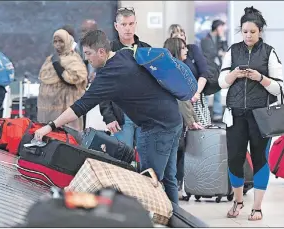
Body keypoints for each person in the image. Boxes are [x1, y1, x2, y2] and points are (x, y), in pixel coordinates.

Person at [34, 30, 182, 204]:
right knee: (169, 177)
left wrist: (50, 126)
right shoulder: (126, 54)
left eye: (89, 54)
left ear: (101, 52)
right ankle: (177, 218)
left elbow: (80, 106)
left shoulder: (109, 75)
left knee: (149, 182)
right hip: (173, 116)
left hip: (157, 128)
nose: (87, 59)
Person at [219, 7, 284, 221]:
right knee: (234, 160)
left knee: (260, 159)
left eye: (252, 32)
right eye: (245, 31)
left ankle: (257, 207)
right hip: (236, 114)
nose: (248, 35)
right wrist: (233, 75)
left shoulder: (269, 52)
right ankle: (237, 201)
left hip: (261, 116)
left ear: (260, 31)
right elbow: (221, 82)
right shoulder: (232, 50)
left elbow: (278, 88)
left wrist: (259, 78)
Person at [99, 7, 151, 149]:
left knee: (146, 161)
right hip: (121, 115)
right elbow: (101, 87)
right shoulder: (108, 51)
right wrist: (108, 116)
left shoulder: (146, 50)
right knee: (123, 159)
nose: (128, 28)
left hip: (145, 115)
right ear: (116, 26)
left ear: (135, 24)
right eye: (123, 24)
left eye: (131, 24)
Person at [163, 37, 205, 200]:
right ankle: (173, 192)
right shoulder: (175, 71)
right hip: (174, 121)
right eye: (182, 48)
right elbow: (182, 100)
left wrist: (192, 119)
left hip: (173, 120)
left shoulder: (169, 69)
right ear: (175, 50)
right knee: (176, 154)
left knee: (175, 155)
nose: (186, 51)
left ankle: (174, 189)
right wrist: (191, 121)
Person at [37, 29, 88, 131]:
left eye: (61, 41)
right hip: (48, 109)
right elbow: (43, 77)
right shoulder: (50, 59)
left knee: (67, 138)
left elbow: (74, 78)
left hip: (66, 108)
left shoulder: (73, 59)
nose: (58, 44)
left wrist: (58, 66)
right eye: (55, 41)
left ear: (67, 41)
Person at [169, 24, 212, 127]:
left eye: (182, 34)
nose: (180, 37)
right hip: (178, 101)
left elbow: (204, 72)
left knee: (200, 128)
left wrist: (196, 93)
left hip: (195, 96)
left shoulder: (192, 49)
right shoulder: (168, 57)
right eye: (176, 35)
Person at [201, 19, 228, 122]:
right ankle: (205, 113)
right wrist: (219, 53)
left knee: (218, 91)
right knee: (206, 91)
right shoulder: (205, 39)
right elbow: (208, 53)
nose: (222, 29)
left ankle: (217, 114)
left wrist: (222, 37)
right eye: (221, 27)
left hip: (218, 69)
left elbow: (226, 50)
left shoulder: (219, 39)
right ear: (216, 27)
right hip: (208, 69)